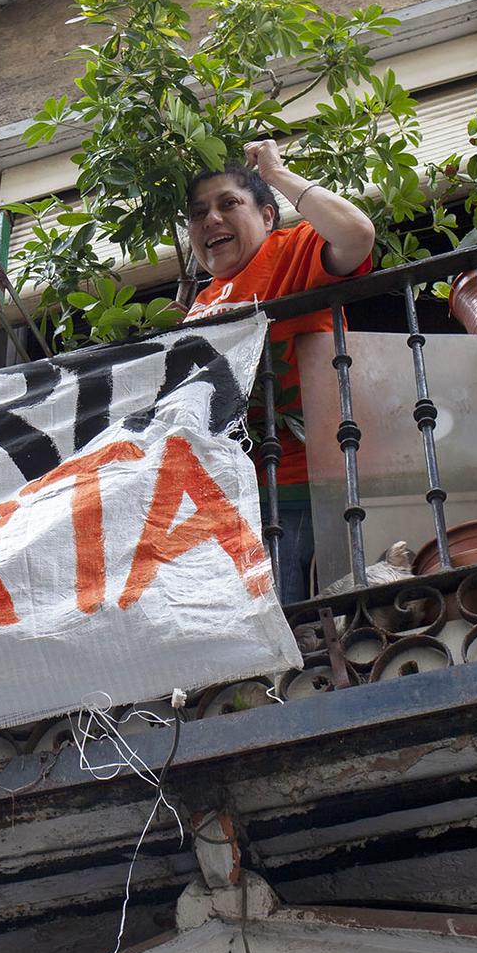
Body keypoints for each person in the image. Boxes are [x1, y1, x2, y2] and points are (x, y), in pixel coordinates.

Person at [183, 139, 376, 604]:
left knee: (292, 627)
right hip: (230, 502)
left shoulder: (290, 249)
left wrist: (276, 174)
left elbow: (355, 234)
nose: (211, 219)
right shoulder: (200, 305)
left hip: (299, 484)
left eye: (229, 204)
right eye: (198, 212)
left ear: (268, 216)